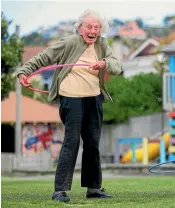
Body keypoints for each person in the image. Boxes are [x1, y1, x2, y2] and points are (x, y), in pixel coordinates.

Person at [17, 9, 122, 202]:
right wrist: (24, 72)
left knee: (92, 144)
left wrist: (105, 63)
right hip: (71, 98)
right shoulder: (69, 42)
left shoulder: (102, 44)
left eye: (97, 27)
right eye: (89, 27)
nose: (93, 30)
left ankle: (94, 189)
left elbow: (117, 65)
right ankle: (60, 190)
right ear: (80, 28)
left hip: (94, 98)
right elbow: (43, 58)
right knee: (71, 142)